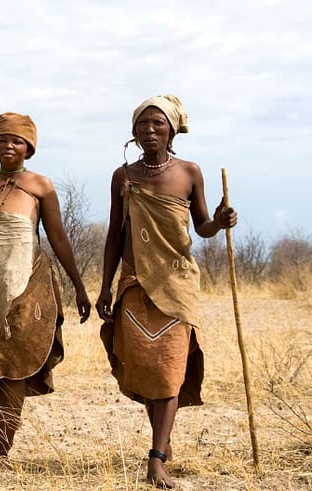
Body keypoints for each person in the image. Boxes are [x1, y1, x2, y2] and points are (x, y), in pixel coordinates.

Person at [96, 94, 236, 488]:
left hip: (177, 282)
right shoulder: (123, 176)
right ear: (134, 131)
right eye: (143, 124)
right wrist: (105, 285)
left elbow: (203, 226)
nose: (150, 130)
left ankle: (156, 458)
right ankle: (163, 437)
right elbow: (114, 234)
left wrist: (221, 221)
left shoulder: (190, 172)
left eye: (158, 124)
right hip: (135, 282)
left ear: (172, 130)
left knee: (171, 368)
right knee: (146, 368)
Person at [0, 112, 91, 469]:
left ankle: (0, 455)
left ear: (29, 148)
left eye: (16, 141)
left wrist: (78, 286)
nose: (8, 147)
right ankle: (7, 415)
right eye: (2, 140)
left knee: (14, 368)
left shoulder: (40, 185)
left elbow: (57, 237)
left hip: (25, 288)